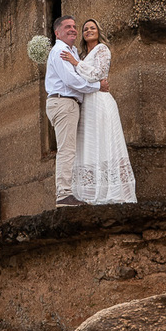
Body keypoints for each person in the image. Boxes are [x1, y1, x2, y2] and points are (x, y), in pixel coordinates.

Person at [71, 18, 136, 203]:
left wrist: (76, 64)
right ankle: (89, 192)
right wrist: (79, 65)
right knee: (89, 142)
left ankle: (110, 191)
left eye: (92, 28)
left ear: (98, 31)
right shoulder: (83, 55)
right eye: (85, 29)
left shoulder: (102, 50)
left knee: (104, 140)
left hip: (101, 102)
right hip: (88, 103)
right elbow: (81, 80)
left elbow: (99, 74)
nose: (89, 31)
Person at [44, 17, 108, 206]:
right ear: (57, 33)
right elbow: (71, 80)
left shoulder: (72, 52)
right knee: (67, 150)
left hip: (69, 103)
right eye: (67, 27)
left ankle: (74, 191)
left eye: (74, 26)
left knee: (72, 148)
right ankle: (64, 194)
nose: (73, 29)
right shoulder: (60, 51)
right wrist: (98, 86)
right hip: (63, 102)